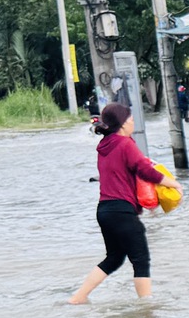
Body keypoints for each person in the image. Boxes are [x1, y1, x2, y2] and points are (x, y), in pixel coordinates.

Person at [68, 102, 158, 304]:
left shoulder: (105, 146)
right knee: (140, 259)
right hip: (121, 211)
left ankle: (78, 298)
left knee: (115, 258)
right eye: (131, 119)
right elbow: (145, 171)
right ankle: (147, 309)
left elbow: (126, 177)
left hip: (105, 210)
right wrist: (173, 184)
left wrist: (147, 202)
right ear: (122, 124)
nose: (133, 122)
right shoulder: (125, 144)